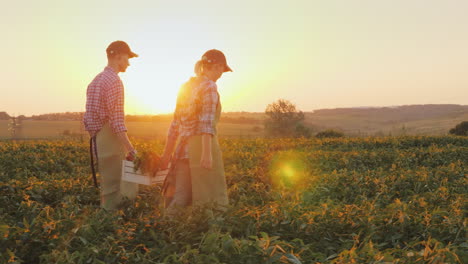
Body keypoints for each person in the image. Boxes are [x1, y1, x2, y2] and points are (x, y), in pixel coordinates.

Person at [160, 49, 232, 212]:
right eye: (222, 70)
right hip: (199, 151)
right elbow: (206, 123)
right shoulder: (209, 86)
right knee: (202, 197)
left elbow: (175, 124)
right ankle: (165, 226)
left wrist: (167, 155)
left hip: (182, 151)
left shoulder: (186, 87)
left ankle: (165, 229)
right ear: (217, 67)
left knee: (181, 196)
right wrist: (207, 154)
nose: (221, 74)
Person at [83, 40, 139, 210]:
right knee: (116, 188)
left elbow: (89, 119)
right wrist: (130, 148)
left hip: (98, 139)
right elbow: (116, 122)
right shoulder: (114, 82)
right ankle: (112, 229)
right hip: (111, 140)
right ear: (118, 57)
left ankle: (104, 225)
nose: (128, 63)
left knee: (107, 188)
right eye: (127, 58)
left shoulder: (95, 81)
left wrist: (97, 140)